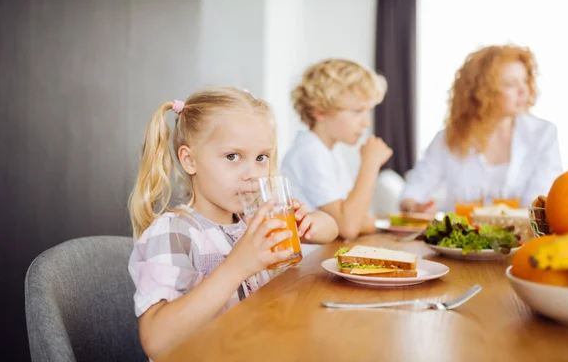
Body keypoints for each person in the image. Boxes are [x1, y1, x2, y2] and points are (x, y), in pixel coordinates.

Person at [127, 88, 338, 360]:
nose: (251, 174)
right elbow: (156, 341)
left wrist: (309, 223)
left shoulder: (254, 222)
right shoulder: (174, 233)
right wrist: (238, 266)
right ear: (189, 160)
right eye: (232, 157)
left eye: (261, 157)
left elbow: (331, 229)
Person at [400, 45, 563, 213]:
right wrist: (415, 207)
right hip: (462, 237)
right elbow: (411, 192)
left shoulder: (543, 134)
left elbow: (538, 205)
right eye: (510, 84)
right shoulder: (450, 138)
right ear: (482, 91)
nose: (523, 90)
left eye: (525, 81)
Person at [282, 58, 393, 241]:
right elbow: (348, 227)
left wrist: (358, 221)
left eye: (368, 112)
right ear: (320, 111)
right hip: (308, 261)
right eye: (357, 111)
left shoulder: (329, 151)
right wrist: (370, 164)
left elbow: (358, 217)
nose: (366, 122)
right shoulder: (309, 152)